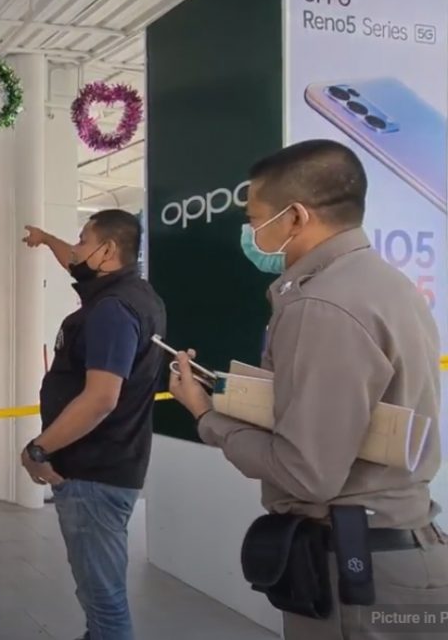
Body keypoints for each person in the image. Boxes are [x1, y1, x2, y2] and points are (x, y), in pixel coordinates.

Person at [169, 139, 446, 640]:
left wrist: (207, 415)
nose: (251, 234)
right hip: (399, 553)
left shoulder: (320, 305)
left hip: (357, 574)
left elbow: (306, 473)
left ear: (295, 217)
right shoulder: (391, 286)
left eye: (254, 220)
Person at [21, 210, 167, 640]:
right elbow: (72, 260)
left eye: (83, 240)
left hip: (94, 477)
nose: (75, 249)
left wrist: (38, 449)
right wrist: (45, 238)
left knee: (104, 601)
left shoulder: (112, 311)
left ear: (108, 251)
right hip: (110, 467)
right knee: (98, 594)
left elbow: (101, 399)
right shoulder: (135, 294)